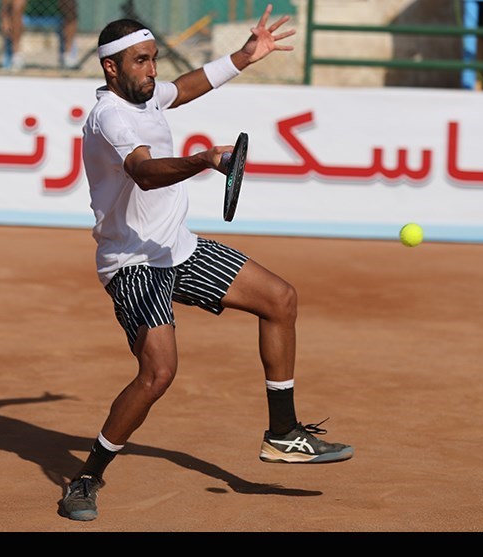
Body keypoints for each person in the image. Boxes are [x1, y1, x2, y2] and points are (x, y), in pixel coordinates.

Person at [63, 5, 353, 522]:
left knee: (280, 298)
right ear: (111, 68)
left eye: (153, 59)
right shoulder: (110, 116)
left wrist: (246, 56)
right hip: (133, 262)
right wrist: (202, 160)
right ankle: (87, 477)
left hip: (176, 246)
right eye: (141, 62)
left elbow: (190, 85)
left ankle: (283, 434)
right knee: (158, 374)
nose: (153, 71)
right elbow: (146, 174)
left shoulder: (149, 97)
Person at [0, 0, 78, 70]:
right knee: (17, 4)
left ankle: (68, 55)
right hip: (27, 11)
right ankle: (16, 56)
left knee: (70, 4)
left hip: (55, 10)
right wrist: (5, 17)